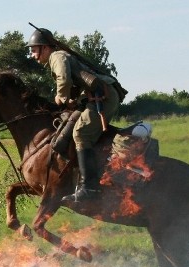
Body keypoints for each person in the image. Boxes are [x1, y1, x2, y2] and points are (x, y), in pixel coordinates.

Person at [27, 27, 121, 202]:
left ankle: (90, 188)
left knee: (81, 133)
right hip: (98, 97)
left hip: (104, 98)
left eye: (34, 50)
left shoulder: (57, 56)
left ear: (45, 48)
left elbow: (64, 77)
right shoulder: (57, 57)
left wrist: (61, 97)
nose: (33, 55)